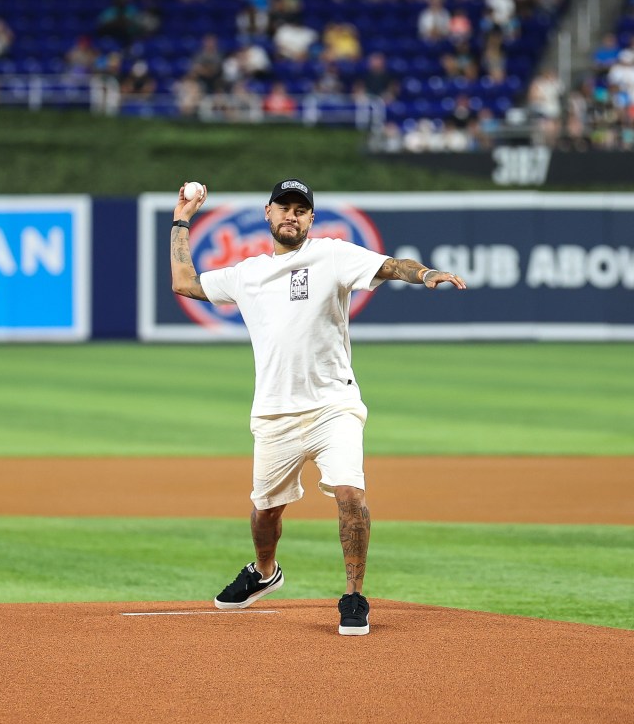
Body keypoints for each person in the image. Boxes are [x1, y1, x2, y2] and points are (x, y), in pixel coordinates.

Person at [170, 179, 466, 635]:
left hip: (334, 404)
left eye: (300, 210)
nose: (292, 215)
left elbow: (393, 266)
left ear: (311, 219)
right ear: (267, 214)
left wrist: (425, 274)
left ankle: (353, 596)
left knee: (350, 494)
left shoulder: (332, 255)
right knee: (266, 511)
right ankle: (264, 573)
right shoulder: (246, 274)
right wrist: (182, 219)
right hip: (274, 412)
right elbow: (184, 283)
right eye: (284, 208)